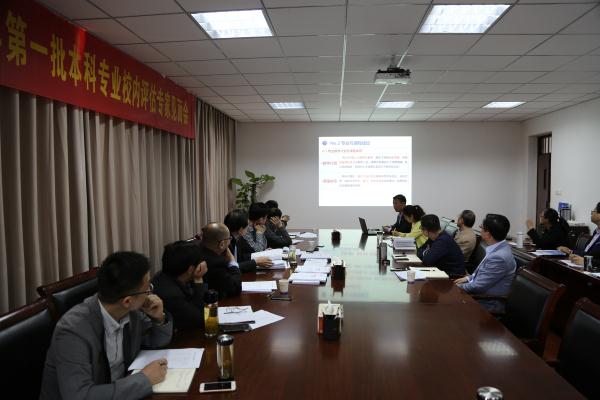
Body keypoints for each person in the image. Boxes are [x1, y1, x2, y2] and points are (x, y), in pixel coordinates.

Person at [40, 251, 173, 400]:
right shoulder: (72, 331)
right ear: (127, 301)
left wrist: (158, 319)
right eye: (147, 289)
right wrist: (144, 379)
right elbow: (79, 396)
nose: (150, 294)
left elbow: (155, 341)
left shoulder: (129, 311)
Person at [454, 214, 516, 313]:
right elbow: (483, 274)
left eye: (482, 227)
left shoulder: (499, 257)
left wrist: (455, 288)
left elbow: (478, 286)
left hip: (486, 304)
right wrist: (468, 278)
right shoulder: (498, 247)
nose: (480, 230)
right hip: (479, 297)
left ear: (488, 233)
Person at [152, 241, 208, 330]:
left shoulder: (171, 274)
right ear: (191, 269)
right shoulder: (170, 294)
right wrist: (198, 280)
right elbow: (201, 319)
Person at [198, 222, 242, 298]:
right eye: (229, 238)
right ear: (221, 244)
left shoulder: (198, 250)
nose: (230, 241)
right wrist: (232, 261)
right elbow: (235, 288)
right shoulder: (216, 263)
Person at [224, 208, 273, 272]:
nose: (248, 228)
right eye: (247, 225)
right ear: (241, 230)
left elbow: (241, 257)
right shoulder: (226, 243)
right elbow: (231, 267)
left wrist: (262, 254)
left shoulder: (237, 239)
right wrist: (255, 262)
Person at [558, 202, 600, 266]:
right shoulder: (596, 232)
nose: (591, 213)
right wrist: (571, 252)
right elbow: (587, 253)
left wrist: (586, 262)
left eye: (594, 210)